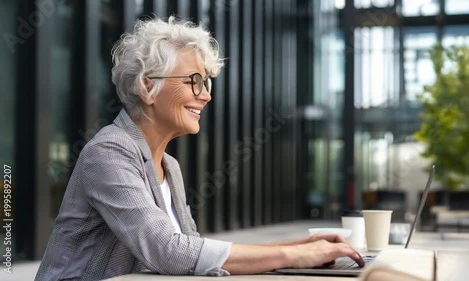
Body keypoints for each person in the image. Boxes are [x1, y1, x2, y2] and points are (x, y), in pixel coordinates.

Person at [35, 17, 364, 280]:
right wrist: (293, 256)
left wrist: (299, 247)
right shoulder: (108, 151)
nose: (205, 95)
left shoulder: (170, 167)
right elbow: (169, 251)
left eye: (207, 83)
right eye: (194, 81)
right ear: (148, 86)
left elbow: (191, 251)